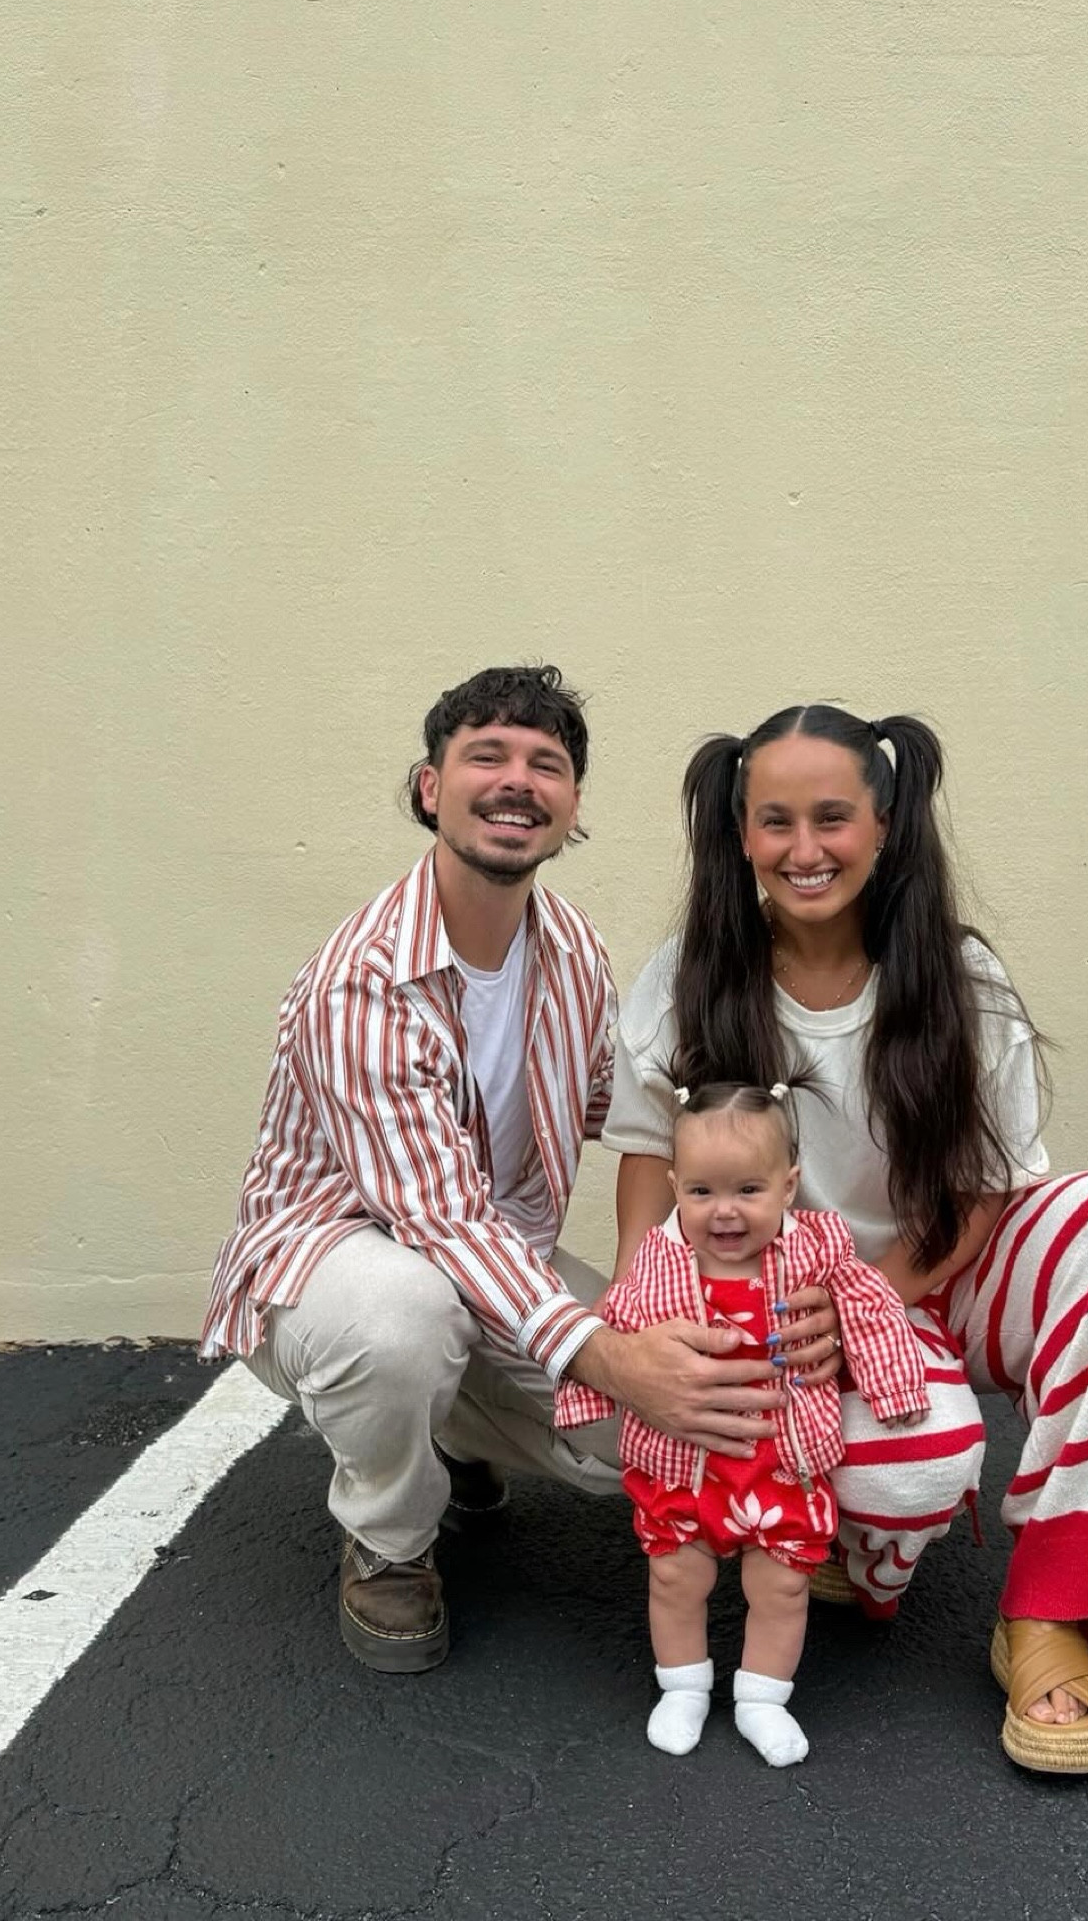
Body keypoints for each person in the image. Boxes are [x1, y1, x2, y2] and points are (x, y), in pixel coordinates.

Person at [602, 704, 1088, 1775]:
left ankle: (1051, 1612)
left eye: (832, 817)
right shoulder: (691, 972)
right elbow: (650, 1153)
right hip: (780, 1312)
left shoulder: (956, 975)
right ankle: (853, 1550)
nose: (804, 849)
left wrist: (868, 1297)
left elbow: (985, 1187)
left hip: (939, 1269)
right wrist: (633, 1314)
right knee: (909, 1467)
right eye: (773, 820)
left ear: (885, 824)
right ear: (737, 833)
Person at [200, 665, 839, 1674]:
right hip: (335, 1270)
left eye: (546, 764)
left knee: (647, 1427)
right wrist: (610, 1353)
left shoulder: (571, 950)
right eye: (485, 755)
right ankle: (391, 1540)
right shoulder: (362, 976)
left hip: (489, 1265)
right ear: (428, 787)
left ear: (572, 806)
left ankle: (457, 1431)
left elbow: (612, 1109)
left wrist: (761, 1175)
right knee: (407, 1319)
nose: (517, 780)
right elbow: (442, 1221)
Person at [556, 1080, 929, 1767]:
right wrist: (583, 1404)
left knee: (781, 1584)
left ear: (788, 1187)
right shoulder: (658, 1261)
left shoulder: (817, 1250)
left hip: (779, 1461)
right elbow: (617, 1327)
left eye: (747, 1191)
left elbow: (870, 1307)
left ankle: (763, 1696)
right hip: (682, 1460)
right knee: (674, 1577)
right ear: (674, 1187)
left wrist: (893, 1387)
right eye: (700, 1193)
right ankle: (683, 1685)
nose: (723, 1212)